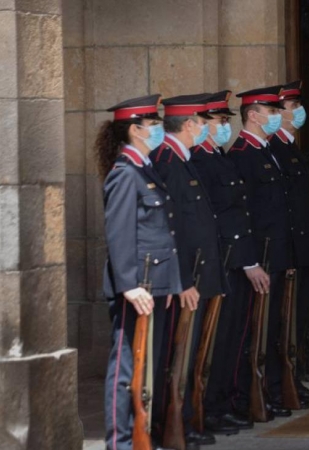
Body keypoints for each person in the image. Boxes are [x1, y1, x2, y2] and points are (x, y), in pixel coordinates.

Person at [98, 94, 183, 450]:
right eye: (155, 124)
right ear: (135, 130)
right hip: (138, 287)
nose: (160, 130)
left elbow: (162, 234)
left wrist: (169, 284)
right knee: (126, 369)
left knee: (147, 364)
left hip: (155, 283)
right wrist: (130, 286)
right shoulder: (124, 174)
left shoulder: (144, 170)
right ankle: (120, 442)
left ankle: (141, 434)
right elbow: (119, 234)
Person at [189, 90, 272, 431]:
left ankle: (221, 402)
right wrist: (246, 259)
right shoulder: (197, 160)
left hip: (236, 259)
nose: (225, 126)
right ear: (199, 124)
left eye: (226, 120)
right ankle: (206, 407)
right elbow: (216, 217)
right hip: (221, 260)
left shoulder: (220, 157)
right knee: (215, 338)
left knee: (232, 336)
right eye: (219, 121)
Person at [153, 94, 228, 446]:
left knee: (190, 353)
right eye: (201, 121)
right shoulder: (167, 161)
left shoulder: (184, 159)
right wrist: (181, 279)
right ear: (188, 125)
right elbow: (170, 229)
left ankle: (184, 420)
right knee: (174, 355)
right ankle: (170, 424)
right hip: (183, 278)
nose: (205, 127)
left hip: (197, 274)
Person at [228, 85, 306, 417]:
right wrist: (251, 258)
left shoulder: (267, 151)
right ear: (254, 115)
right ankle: (249, 394)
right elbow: (242, 212)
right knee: (253, 330)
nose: (279, 117)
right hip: (260, 254)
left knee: (273, 327)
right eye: (273, 112)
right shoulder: (242, 154)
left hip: (277, 253)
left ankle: (270, 390)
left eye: (279, 110)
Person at [267, 80, 309, 404]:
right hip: (287, 251)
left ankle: (293, 379)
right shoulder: (273, 150)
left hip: (301, 249)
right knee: (281, 322)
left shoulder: (289, 148)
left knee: (297, 321)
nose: (298, 111)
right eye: (292, 107)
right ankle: (278, 384)